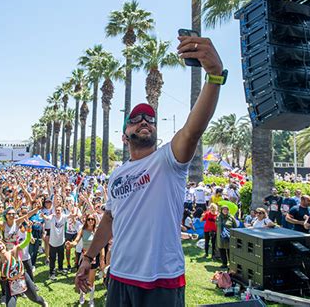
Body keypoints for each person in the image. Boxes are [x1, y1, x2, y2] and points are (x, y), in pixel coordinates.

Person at [75, 34, 224, 307]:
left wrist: (214, 76)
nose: (144, 120)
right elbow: (109, 219)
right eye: (135, 119)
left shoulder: (169, 160)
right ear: (124, 136)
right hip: (119, 276)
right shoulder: (117, 174)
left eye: (150, 119)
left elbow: (193, 130)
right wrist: (88, 258)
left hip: (161, 281)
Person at [0, 232, 47, 306]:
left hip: (24, 280)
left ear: (4, 245)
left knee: (35, 299)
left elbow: (27, 240)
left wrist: (29, 230)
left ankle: (43, 303)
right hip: (11, 285)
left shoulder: (14, 251)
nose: (0, 246)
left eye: (1, 244)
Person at [66, 215, 101, 307]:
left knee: (91, 280)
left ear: (94, 221)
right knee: (82, 278)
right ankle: (82, 295)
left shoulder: (96, 231)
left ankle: (91, 300)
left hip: (94, 258)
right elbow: (76, 241)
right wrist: (71, 244)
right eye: (88, 219)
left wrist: (102, 259)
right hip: (84, 257)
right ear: (86, 220)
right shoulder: (82, 230)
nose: (90, 221)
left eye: (92, 219)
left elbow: (100, 245)